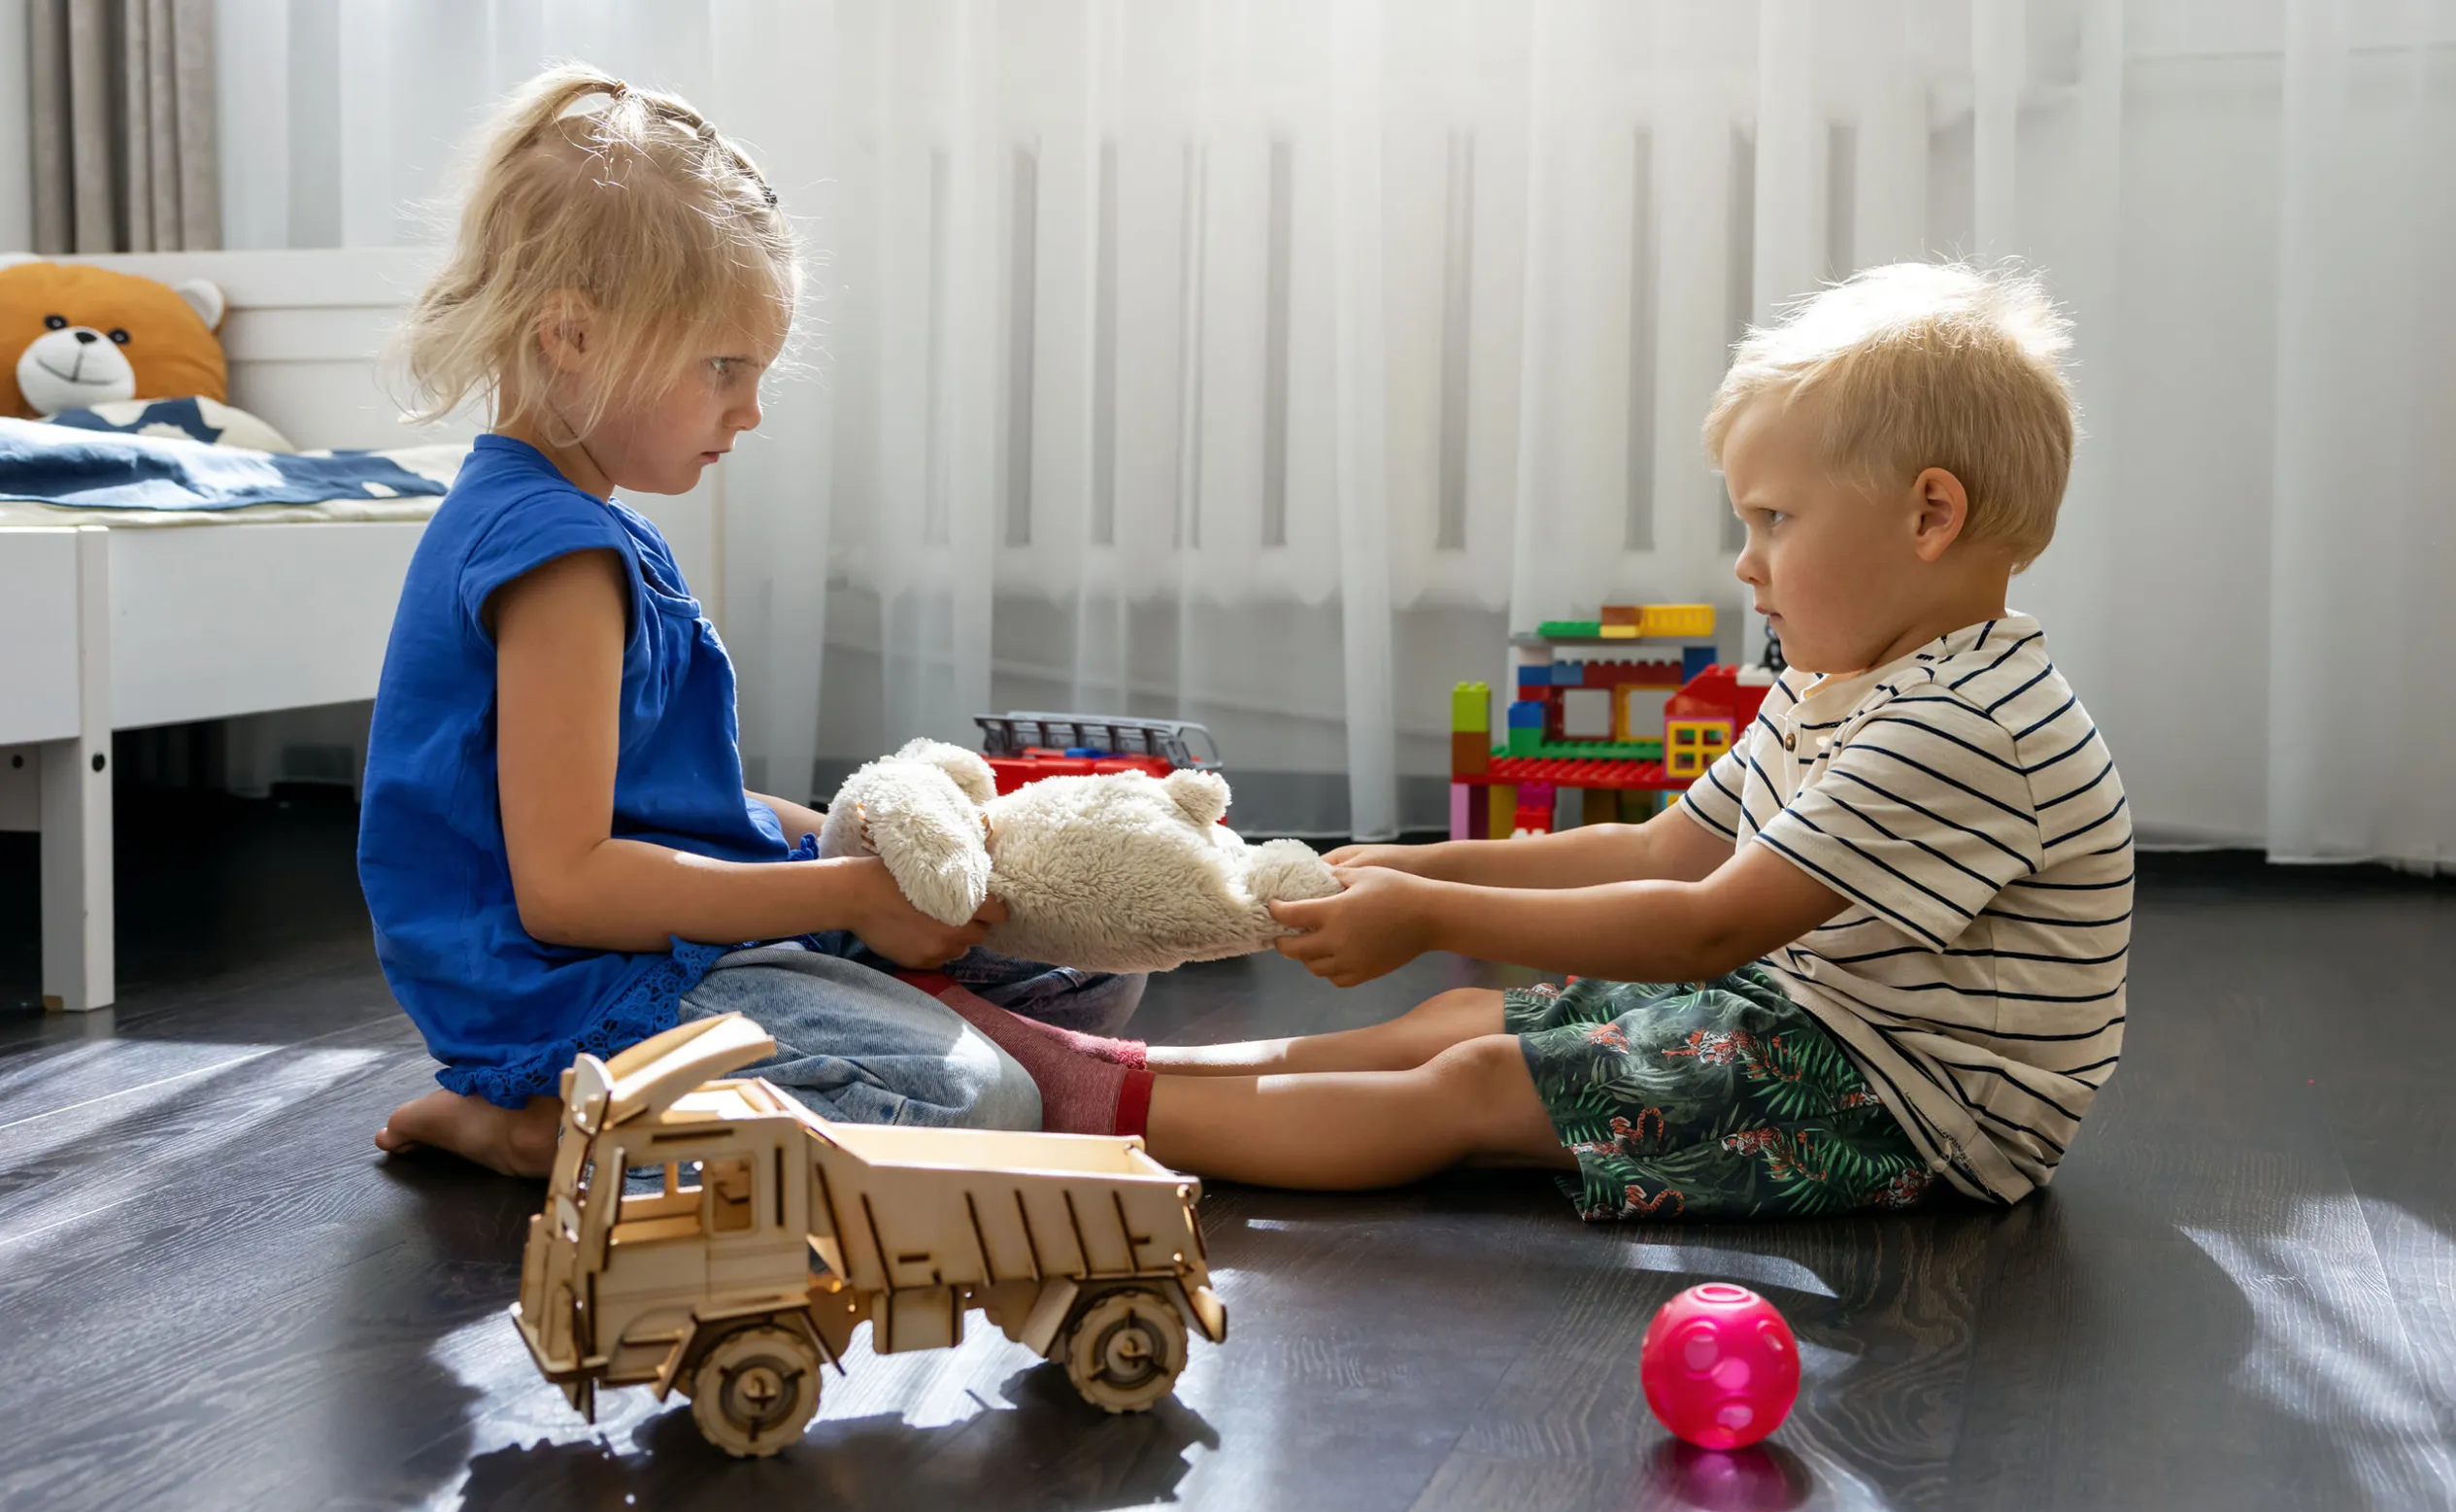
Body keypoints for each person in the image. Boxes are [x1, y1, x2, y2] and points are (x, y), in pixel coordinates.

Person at [1010, 262, 2132, 1220]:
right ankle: (1129, 1075)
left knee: (1475, 1086)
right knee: (1462, 1019)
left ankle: (1089, 1112)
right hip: (1810, 1019)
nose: (1746, 563)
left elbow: (1706, 925)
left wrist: (1431, 913)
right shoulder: (1843, 683)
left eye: (1775, 520)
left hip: (1919, 1110)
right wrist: (1418, 865)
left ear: (1930, 516)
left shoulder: (1961, 726)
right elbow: (1660, 852)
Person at [357, 65, 1143, 1178]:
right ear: (571, 335)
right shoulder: (555, 559)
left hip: (667, 940)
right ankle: (544, 1125)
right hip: (574, 987)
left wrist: (852, 842)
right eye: (723, 366)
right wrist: (849, 895)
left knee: (1085, 957)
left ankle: (843, 1038)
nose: (752, 409)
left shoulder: (590, 528)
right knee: (979, 1101)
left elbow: (669, 804)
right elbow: (567, 889)